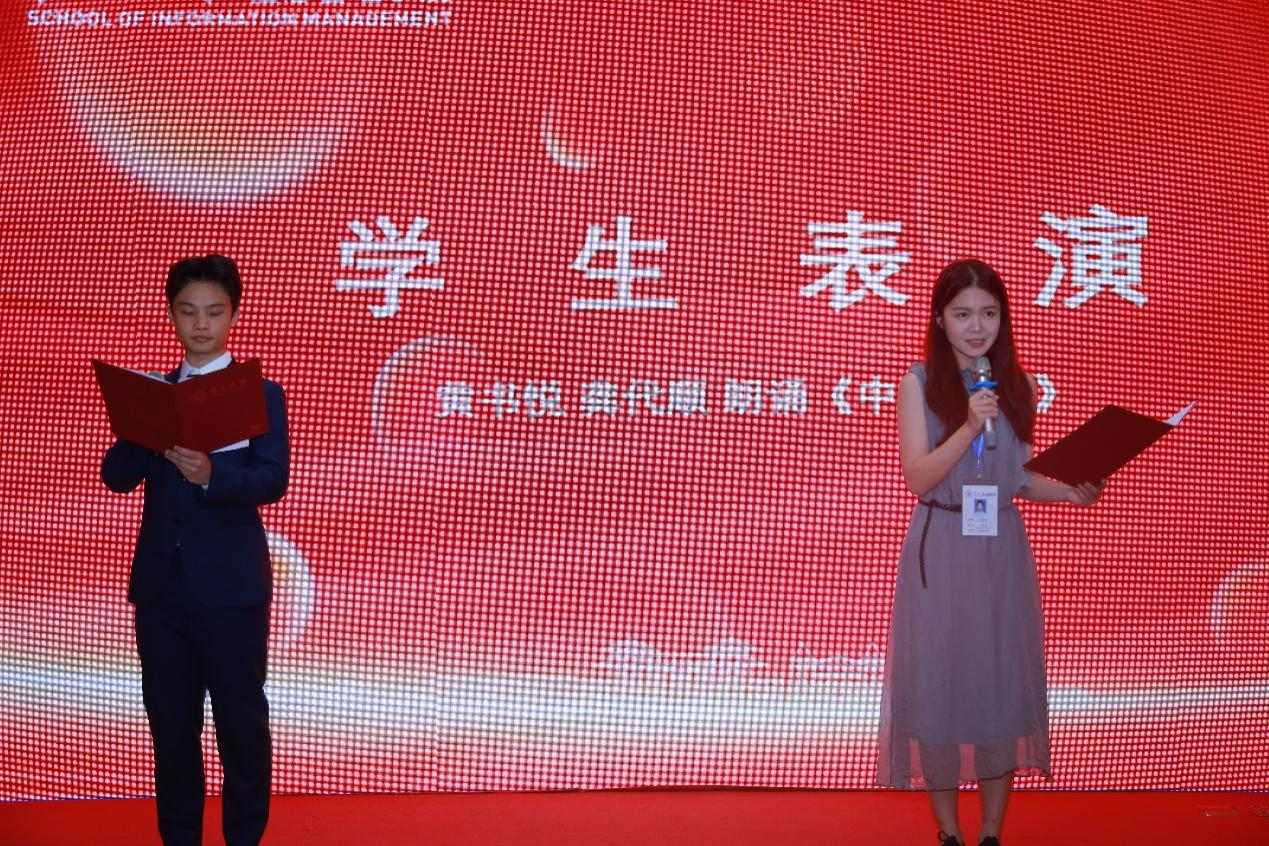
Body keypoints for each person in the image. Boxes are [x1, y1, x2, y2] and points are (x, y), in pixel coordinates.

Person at [875, 259, 1104, 846]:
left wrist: (1072, 492)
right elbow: (918, 477)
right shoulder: (918, 383)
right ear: (940, 320)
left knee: (1001, 681)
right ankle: (949, 832)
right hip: (941, 549)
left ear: (1003, 318)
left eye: (989, 313)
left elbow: (1017, 479)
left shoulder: (1019, 386)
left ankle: (992, 833)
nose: (977, 327)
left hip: (1001, 551)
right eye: (962, 314)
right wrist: (969, 426)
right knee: (940, 682)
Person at [101, 254, 289, 846]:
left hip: (232, 591)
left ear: (233, 314)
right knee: (171, 729)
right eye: (188, 312)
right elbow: (115, 477)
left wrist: (212, 475)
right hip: (162, 592)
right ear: (172, 315)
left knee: (240, 725)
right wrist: (144, 430)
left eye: (213, 312)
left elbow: (272, 480)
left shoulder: (260, 394)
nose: (200, 324)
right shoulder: (154, 394)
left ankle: (244, 838)